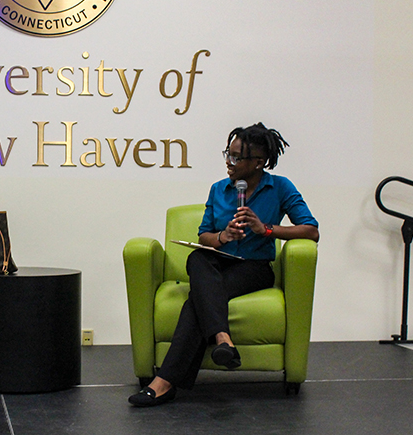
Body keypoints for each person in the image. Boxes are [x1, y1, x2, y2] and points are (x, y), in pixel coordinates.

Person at [128, 122, 319, 407]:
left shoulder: (280, 187)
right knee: (197, 257)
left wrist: (265, 229)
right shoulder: (218, 189)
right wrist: (223, 236)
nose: (229, 162)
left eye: (236, 157)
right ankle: (223, 339)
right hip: (219, 261)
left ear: (258, 162)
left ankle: (164, 382)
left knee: (197, 301)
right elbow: (204, 235)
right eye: (227, 154)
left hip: (254, 268)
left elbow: (310, 230)